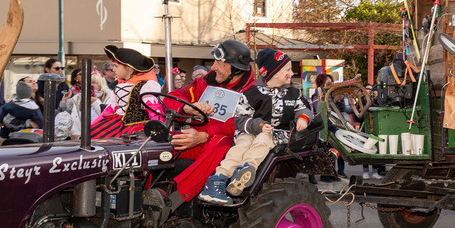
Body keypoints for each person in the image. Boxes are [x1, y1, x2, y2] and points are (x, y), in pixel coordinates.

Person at [199, 48, 311, 205]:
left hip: (277, 133)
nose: (292, 73)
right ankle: (218, 179)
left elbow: (303, 108)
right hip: (251, 131)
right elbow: (239, 119)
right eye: (288, 69)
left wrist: (303, 118)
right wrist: (258, 125)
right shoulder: (252, 94)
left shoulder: (293, 93)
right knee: (241, 145)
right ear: (274, 73)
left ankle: (245, 170)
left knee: (264, 139)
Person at [159, 39, 257, 210]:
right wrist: (187, 107)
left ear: (235, 68)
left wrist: (204, 135)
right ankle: (147, 192)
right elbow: (172, 97)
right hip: (196, 139)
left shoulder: (253, 91)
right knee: (157, 142)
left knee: (220, 142)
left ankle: (174, 201)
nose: (213, 67)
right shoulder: (204, 82)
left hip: (225, 145)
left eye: (219, 62)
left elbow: (238, 124)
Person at [89, 46, 162, 139]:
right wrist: (93, 125)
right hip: (117, 123)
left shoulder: (146, 86)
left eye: (116, 66)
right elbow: (109, 110)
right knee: (93, 135)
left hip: (135, 127)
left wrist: (159, 129)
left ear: (129, 68)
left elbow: (155, 111)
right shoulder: (119, 86)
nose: (113, 69)